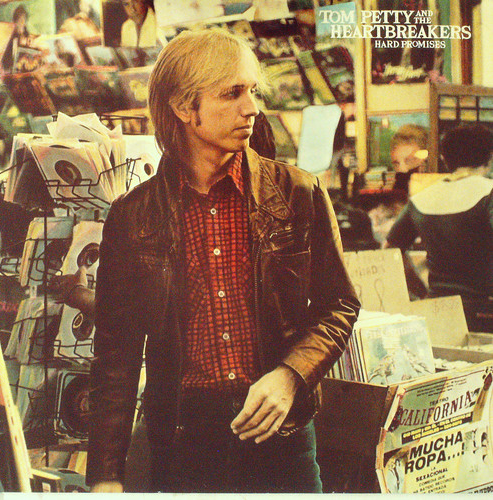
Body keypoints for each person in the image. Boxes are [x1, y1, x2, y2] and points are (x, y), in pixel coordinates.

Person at [86, 28, 360, 493]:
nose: (251, 108)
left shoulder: (296, 192)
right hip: (184, 441)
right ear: (182, 106)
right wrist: (106, 475)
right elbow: (116, 353)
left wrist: (290, 375)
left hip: (282, 433)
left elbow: (339, 304)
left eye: (252, 91)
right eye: (232, 94)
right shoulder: (133, 216)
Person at [385, 124, 493, 331]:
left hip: (437, 309)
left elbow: (390, 250)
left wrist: (419, 288)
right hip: (485, 312)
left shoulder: (421, 198)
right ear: (489, 157)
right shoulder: (489, 193)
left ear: (444, 158)